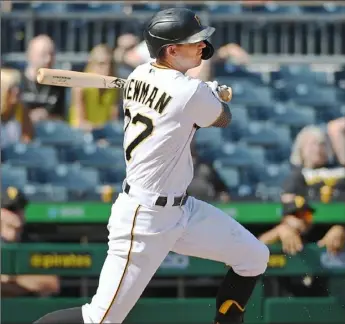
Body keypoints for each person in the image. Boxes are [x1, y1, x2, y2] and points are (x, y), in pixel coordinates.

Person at [33, 8, 269, 324]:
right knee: (99, 319)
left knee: (254, 257)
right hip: (143, 219)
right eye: (194, 41)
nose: (202, 46)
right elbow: (223, 117)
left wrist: (205, 93)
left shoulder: (140, 74)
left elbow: (183, 101)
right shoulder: (188, 91)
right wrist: (211, 93)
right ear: (171, 50)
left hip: (183, 211)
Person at [1, 187, 60, 297]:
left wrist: (11, 280)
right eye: (11, 209)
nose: (16, 214)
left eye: (20, 208)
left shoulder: (34, 244)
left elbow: (52, 283)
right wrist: (29, 283)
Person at [69, 44, 121, 131]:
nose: (107, 69)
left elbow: (112, 120)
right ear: (92, 64)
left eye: (110, 64)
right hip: (80, 135)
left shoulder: (114, 88)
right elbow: (80, 123)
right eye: (101, 64)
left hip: (103, 136)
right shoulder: (80, 87)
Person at [21, 34, 66, 122]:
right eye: (43, 54)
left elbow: (62, 119)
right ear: (30, 55)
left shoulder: (59, 84)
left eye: (52, 54)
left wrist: (47, 116)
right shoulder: (18, 82)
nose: (48, 59)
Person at [1, 68, 34, 148]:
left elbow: (27, 142)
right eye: (11, 87)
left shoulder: (22, 111)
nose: (17, 91)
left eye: (18, 86)